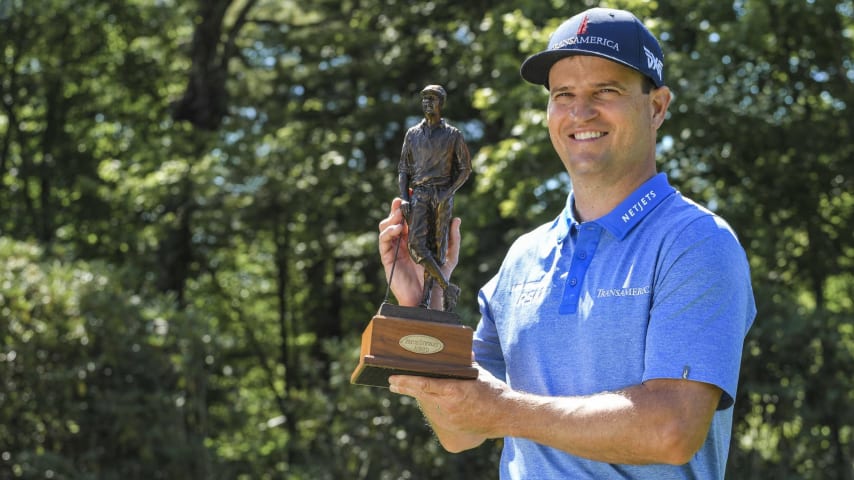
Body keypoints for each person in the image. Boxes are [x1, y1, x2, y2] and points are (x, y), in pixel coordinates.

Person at [379, 7, 756, 480]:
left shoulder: (696, 243)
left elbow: (672, 429)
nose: (581, 112)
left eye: (606, 91)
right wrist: (426, 306)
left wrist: (503, 410)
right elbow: (460, 432)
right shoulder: (523, 257)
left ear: (656, 107)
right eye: (564, 95)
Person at [397, 84, 472, 311]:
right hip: (419, 194)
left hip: (442, 195)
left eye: (432, 98)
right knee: (418, 246)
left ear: (441, 103)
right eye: (424, 99)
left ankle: (426, 301)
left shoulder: (453, 135)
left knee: (438, 248)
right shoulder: (412, 134)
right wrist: (404, 199)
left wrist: (447, 193)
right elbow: (403, 169)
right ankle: (447, 286)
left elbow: (466, 169)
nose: (427, 103)